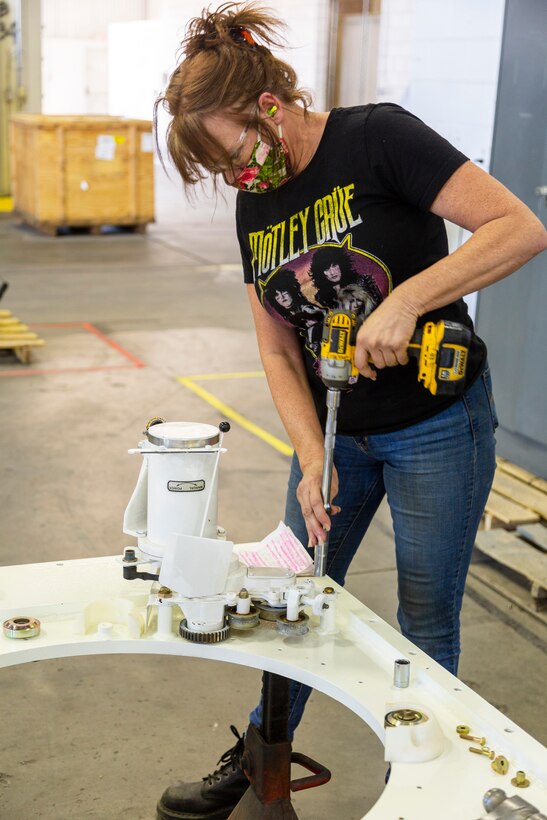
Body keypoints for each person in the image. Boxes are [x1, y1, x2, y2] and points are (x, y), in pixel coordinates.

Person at [154, 4, 547, 818]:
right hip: (337, 437)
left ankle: (421, 788)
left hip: (437, 427)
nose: (237, 180)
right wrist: (309, 453)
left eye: (232, 157)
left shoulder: (378, 138)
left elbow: (519, 226)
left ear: (269, 106)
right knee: (289, 600)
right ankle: (262, 760)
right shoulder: (253, 200)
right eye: (220, 174)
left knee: (423, 618)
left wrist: (408, 300)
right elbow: (273, 346)